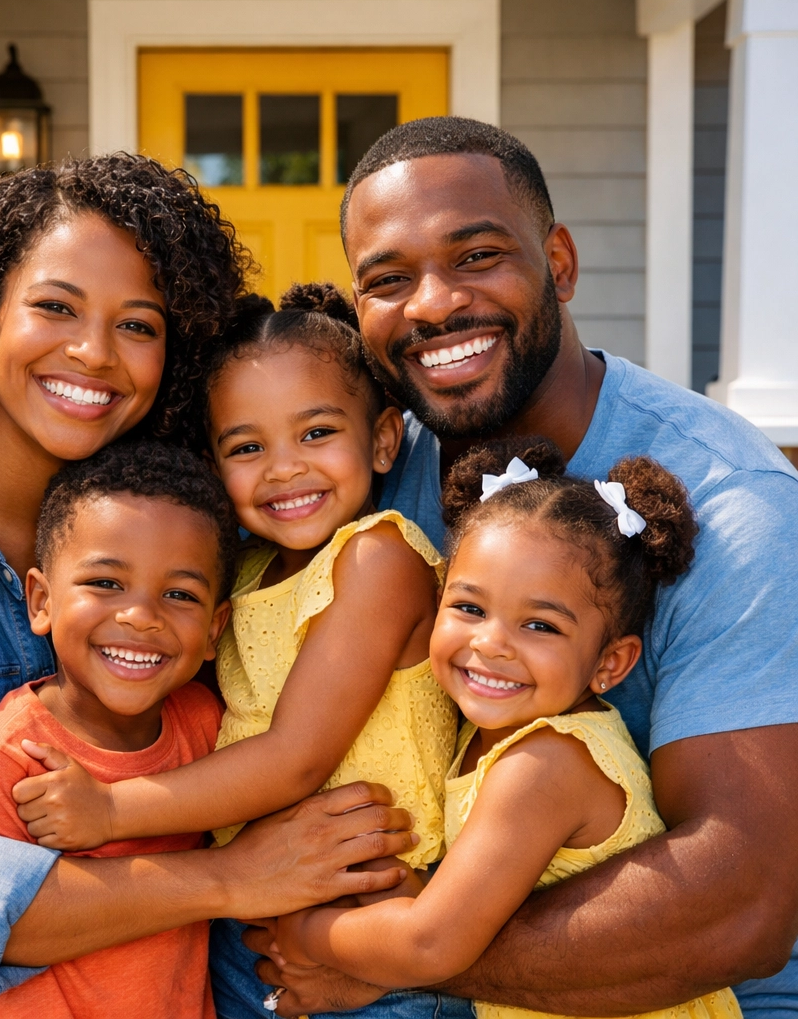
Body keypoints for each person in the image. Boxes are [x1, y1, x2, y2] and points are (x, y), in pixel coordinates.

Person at [0, 156, 418, 1019]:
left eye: (139, 324)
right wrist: (229, 879)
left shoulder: (218, 527)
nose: (93, 352)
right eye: (55, 307)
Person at [246, 117, 798, 1018]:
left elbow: (744, 904)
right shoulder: (361, 468)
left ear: (562, 264)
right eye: (388, 280)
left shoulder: (733, 506)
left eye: (476, 256)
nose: (432, 304)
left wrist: (399, 952)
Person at [10, 283, 460, 1019]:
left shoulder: (378, 561)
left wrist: (110, 812)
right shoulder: (241, 576)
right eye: (247, 447)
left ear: (382, 440)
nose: (283, 468)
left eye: (316, 433)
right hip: (245, 937)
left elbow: (295, 759)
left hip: (373, 930)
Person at [271, 435, 741, 1019]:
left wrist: (305, 932)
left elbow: (429, 942)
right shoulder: (492, 731)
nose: (490, 644)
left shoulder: (544, 762)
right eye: (469, 608)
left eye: (540, 626)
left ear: (610, 663)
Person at [0, 441, 237, 1019]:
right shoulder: (1, 760)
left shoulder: (208, 729)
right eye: (105, 583)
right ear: (41, 600)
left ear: (213, 629)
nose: (141, 615)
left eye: (179, 594)